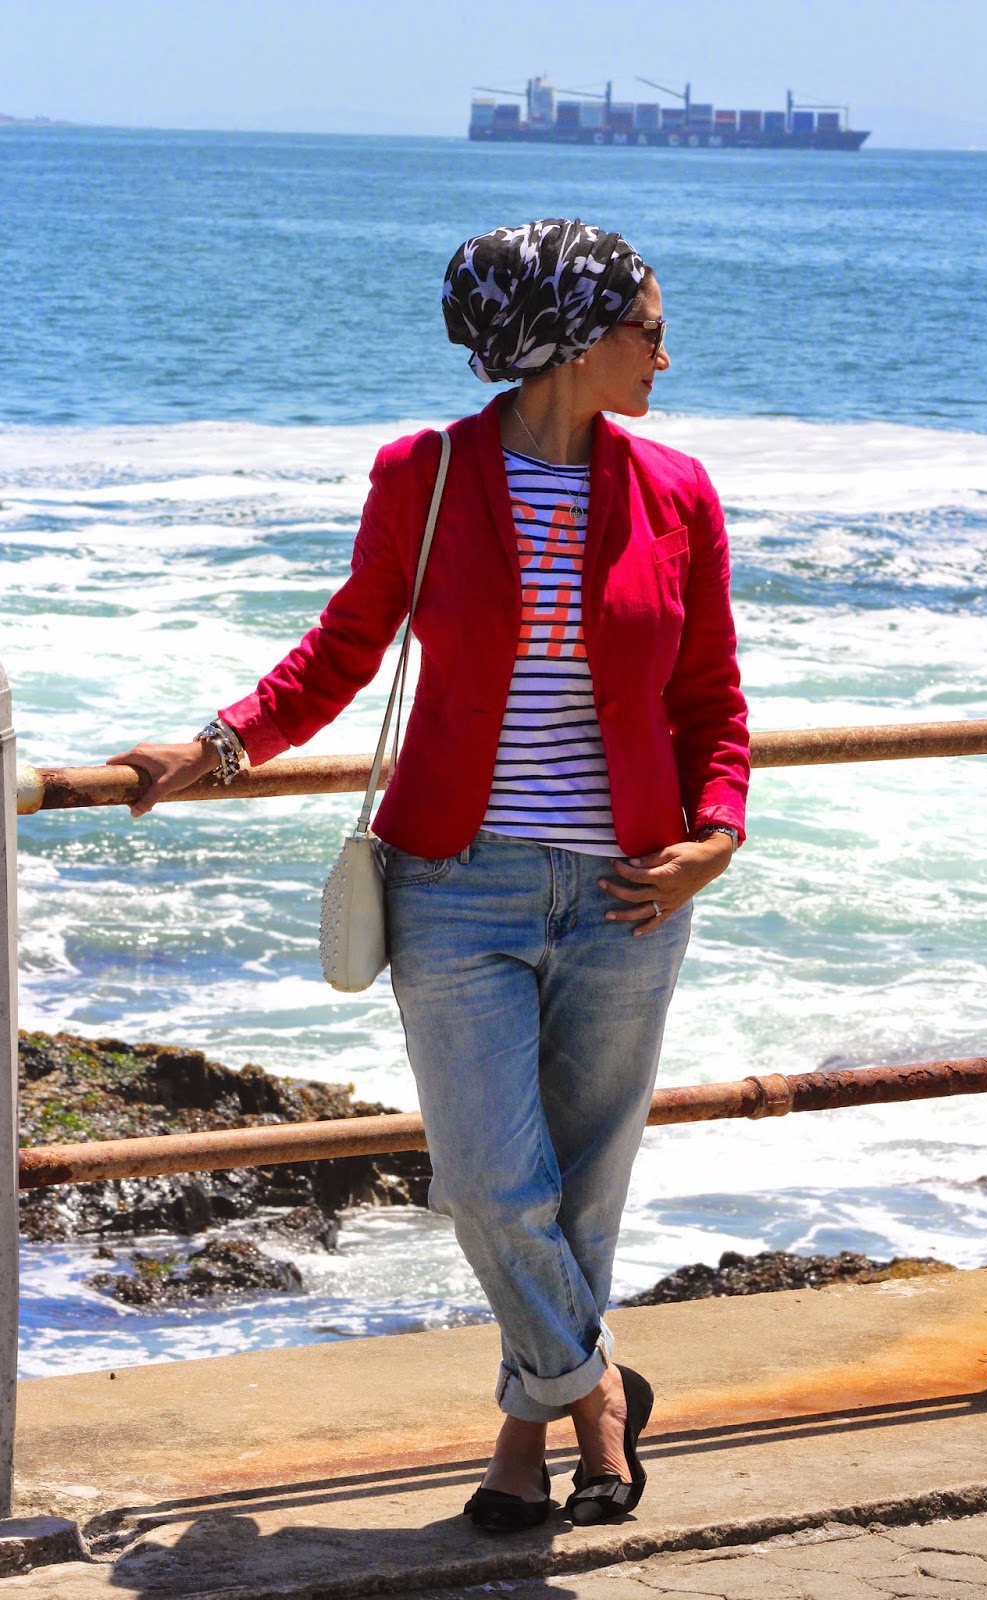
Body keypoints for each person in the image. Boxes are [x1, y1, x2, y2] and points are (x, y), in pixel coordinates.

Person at [109, 218, 749, 1533]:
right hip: (456, 884)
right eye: (646, 329)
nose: (664, 357)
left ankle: (524, 1445)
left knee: (583, 1192)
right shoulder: (429, 474)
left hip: (630, 893)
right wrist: (217, 745)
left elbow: (708, 694)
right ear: (573, 338)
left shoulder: (676, 490)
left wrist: (718, 833)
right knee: (489, 1186)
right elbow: (345, 646)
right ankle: (600, 1396)